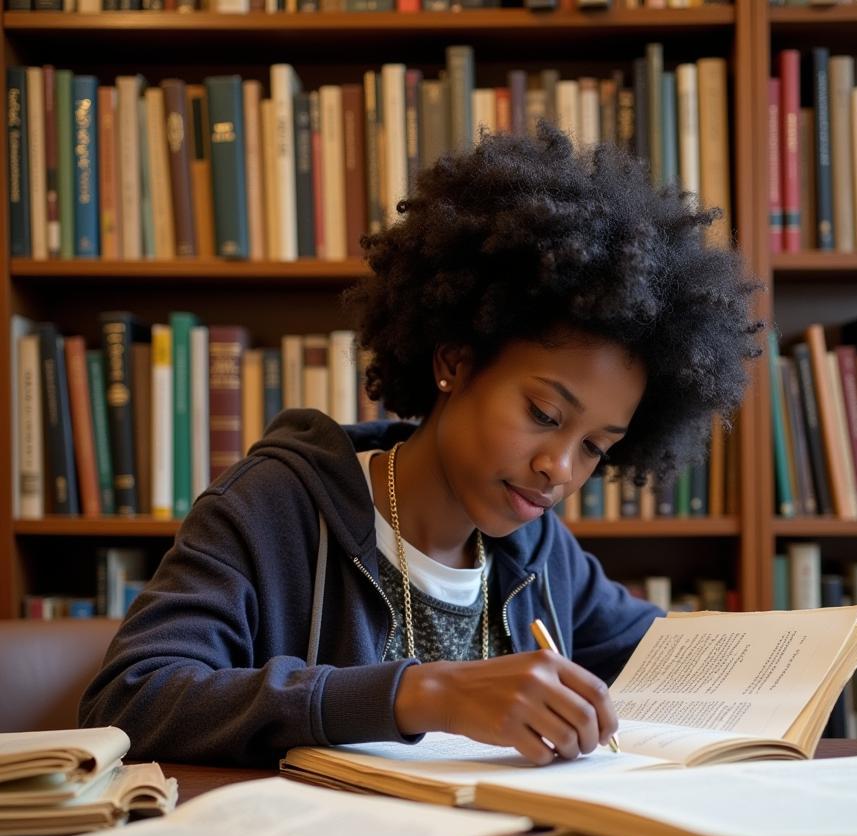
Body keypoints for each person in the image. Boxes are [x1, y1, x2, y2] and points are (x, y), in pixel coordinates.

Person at [80, 124, 762, 767]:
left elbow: (675, 657)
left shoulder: (539, 553)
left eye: (596, 448)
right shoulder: (273, 509)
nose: (560, 468)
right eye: (546, 413)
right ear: (455, 361)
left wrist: (787, 660)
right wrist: (426, 694)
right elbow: (129, 699)